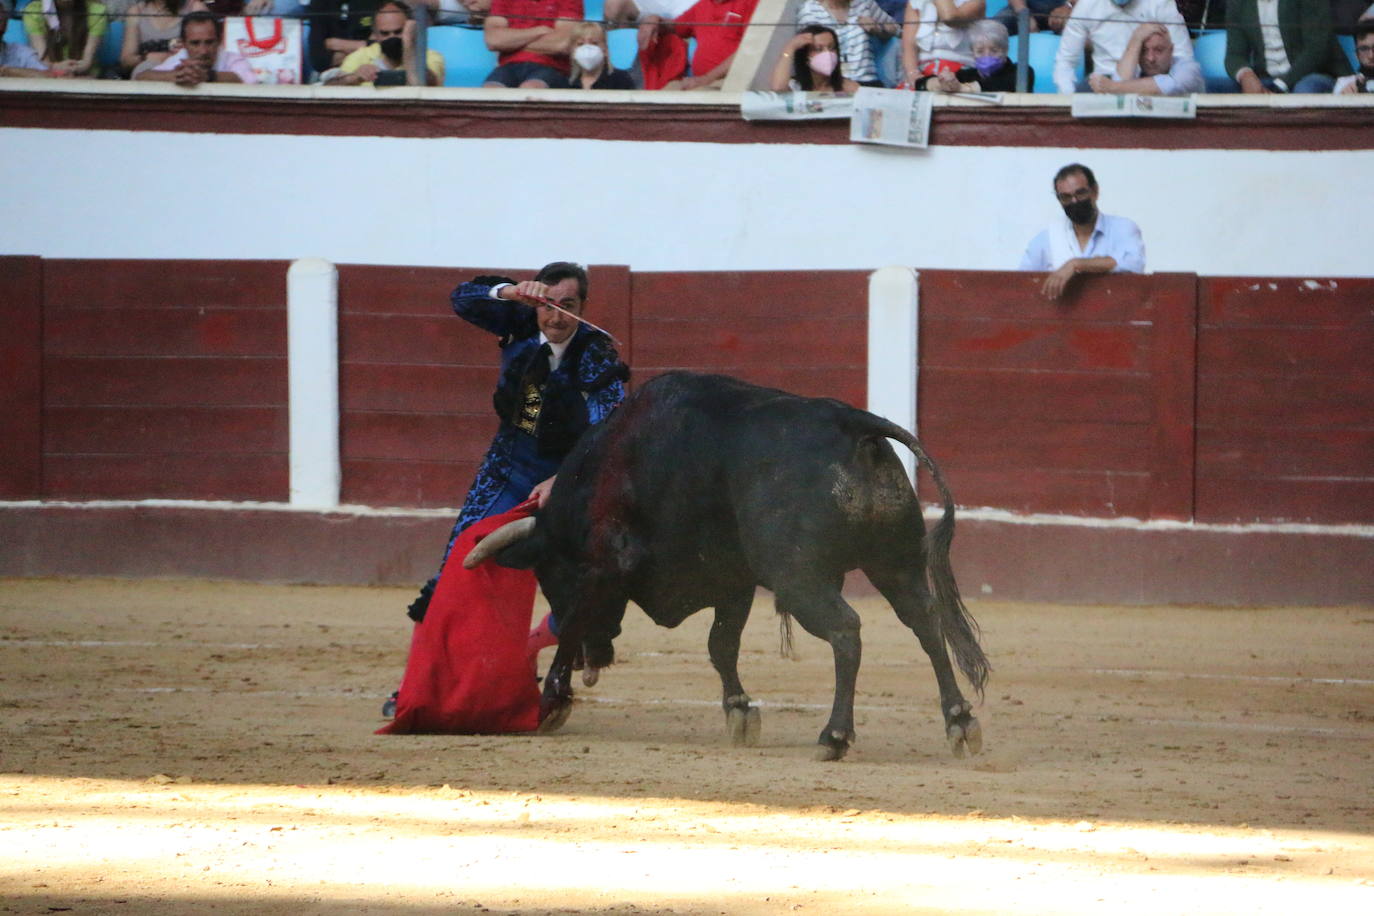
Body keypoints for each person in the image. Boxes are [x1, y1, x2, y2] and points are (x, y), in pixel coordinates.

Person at [383, 262, 628, 717]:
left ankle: (538, 653)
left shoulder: (596, 355)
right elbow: (462, 297)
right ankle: (417, 686)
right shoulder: (518, 319)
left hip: (569, 482)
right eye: (548, 305)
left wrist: (566, 479)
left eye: (568, 307)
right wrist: (510, 293)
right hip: (507, 469)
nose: (555, 318)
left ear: (583, 308)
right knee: (455, 570)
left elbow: (609, 431)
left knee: (595, 589)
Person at [1019, 163, 1145, 300]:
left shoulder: (1122, 228)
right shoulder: (1048, 238)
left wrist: (1075, 264)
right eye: (1066, 197)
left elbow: (1133, 264)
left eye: (1080, 193)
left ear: (1095, 191)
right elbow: (1022, 282)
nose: (1074, 201)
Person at [1053, 0, 1194, 94]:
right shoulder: (1087, 5)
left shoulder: (1160, 3)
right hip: (1101, 83)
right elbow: (1065, 61)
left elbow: (1184, 59)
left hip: (1147, 82)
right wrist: (1068, 100)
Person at [1225, 0, 1352, 93]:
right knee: (1220, 90)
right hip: (1266, 78)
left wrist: (1280, 86)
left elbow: (1317, 50)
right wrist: (1246, 76)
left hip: (1312, 74)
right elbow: (1234, 55)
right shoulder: (1238, 3)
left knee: (1305, 89)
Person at [325, 0, 444, 86]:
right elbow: (327, 91)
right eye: (385, 34)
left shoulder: (430, 57)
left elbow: (424, 85)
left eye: (398, 32)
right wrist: (354, 78)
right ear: (375, 35)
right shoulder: (361, 57)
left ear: (409, 28)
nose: (392, 38)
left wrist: (408, 45)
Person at [135, 10, 258, 83]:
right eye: (195, 43)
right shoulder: (179, 58)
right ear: (183, 43)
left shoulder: (232, 59)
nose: (203, 51)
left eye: (209, 42)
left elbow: (246, 81)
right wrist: (175, 75)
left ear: (220, 40)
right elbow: (141, 77)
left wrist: (208, 76)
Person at [796, 0, 899, 87]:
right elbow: (803, 54)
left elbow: (898, 30)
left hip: (868, 81)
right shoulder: (809, 11)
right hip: (831, 84)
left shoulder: (864, 4)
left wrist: (878, 28)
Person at [481, 0, 582, 88]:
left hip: (551, 67)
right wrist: (540, 31)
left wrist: (512, 42)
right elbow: (493, 40)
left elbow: (561, 44)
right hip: (508, 66)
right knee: (490, 90)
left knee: (531, 88)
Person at [662, 0, 758, 90]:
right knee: (660, 99)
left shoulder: (750, 3)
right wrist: (654, 20)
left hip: (730, 82)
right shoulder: (703, 4)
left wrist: (707, 78)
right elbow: (675, 26)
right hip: (699, 82)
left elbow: (749, 49)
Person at [913, 17, 1029, 91]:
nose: (986, 55)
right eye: (980, 51)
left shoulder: (1022, 72)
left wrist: (961, 88)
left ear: (1005, 50)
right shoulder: (966, 75)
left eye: (993, 50)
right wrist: (941, 82)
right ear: (972, 53)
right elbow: (920, 84)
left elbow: (998, 85)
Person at [1088, 21, 1203, 95]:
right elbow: (1119, 91)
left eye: (1158, 50)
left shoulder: (1189, 69)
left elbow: (1171, 86)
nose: (1150, 58)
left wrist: (1111, 86)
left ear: (1171, 50)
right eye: (1143, 51)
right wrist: (1136, 38)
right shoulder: (1136, 70)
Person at [900, 0, 985, 87]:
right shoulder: (915, 2)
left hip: (961, 73)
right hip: (923, 71)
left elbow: (950, 18)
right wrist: (913, 74)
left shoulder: (977, 2)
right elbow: (908, 45)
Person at [120, 0, 205, 78]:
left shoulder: (194, 8)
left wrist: (188, 48)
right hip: (144, 76)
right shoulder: (136, 11)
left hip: (183, 71)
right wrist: (146, 57)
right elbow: (126, 60)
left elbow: (205, 50)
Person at [23, 0, 109, 77]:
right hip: (49, 77)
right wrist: (56, 67)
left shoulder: (97, 11)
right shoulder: (33, 12)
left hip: (86, 77)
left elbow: (87, 63)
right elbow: (44, 62)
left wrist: (74, 68)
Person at [769, 24, 862, 91]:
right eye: (818, 49)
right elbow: (778, 89)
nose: (827, 53)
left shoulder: (850, 88)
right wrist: (789, 49)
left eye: (832, 48)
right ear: (805, 56)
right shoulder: (796, 87)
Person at [308, 0, 382, 75]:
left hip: (370, 71)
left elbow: (384, 45)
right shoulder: (320, 3)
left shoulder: (376, 3)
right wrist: (363, 47)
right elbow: (318, 61)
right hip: (332, 76)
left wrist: (334, 44)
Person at [567, 20, 636, 89]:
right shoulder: (568, 83)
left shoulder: (620, 79)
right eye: (580, 44)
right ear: (573, 51)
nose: (587, 48)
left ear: (605, 49)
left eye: (594, 43)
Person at [1, 0, 54, 77]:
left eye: (0, 21)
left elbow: (47, 76)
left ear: (6, 24)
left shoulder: (19, 53)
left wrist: (6, 71)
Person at [1334, 19, 1374, 91]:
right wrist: (1344, 99)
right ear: (1357, 54)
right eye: (1364, 49)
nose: (1371, 55)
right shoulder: (1344, 84)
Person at [995, 0, 1072, 35]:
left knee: (1075, 24)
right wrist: (1025, 17)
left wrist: (1068, 7)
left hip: (1065, 6)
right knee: (996, 27)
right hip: (1025, 6)